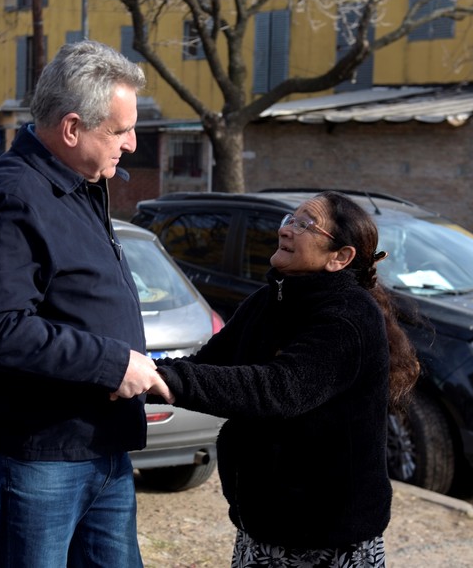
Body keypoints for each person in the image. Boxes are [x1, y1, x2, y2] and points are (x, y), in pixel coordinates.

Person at [0, 40, 173, 568]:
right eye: (120, 131)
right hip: (41, 456)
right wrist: (113, 363)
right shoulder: (13, 196)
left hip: (102, 445)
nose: (132, 144)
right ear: (72, 128)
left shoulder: (82, 183)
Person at [151, 190, 420, 567]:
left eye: (306, 224)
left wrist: (163, 378)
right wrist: (137, 374)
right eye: (289, 220)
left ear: (340, 257)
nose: (286, 230)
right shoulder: (266, 302)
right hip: (266, 522)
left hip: (326, 533)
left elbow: (279, 389)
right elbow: (207, 365)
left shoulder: (349, 317)